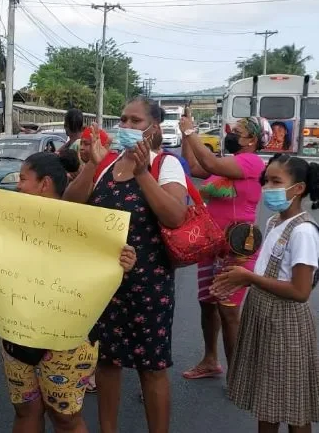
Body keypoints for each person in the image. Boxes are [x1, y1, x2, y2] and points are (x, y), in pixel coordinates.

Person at [0, 151, 136, 433]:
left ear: (44, 184)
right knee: (25, 409)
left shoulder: (84, 224)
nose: (18, 185)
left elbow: (105, 265)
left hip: (68, 337)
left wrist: (124, 261)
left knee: (65, 416)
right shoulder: (7, 220)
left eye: (23, 179)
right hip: (17, 331)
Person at [63, 98, 188, 433]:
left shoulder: (165, 165)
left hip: (149, 285)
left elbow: (175, 216)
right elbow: (71, 205)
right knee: (106, 361)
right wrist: (90, 164)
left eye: (136, 121)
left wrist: (143, 171)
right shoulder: (107, 164)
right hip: (104, 283)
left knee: (152, 368)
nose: (127, 127)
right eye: (123, 120)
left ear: (154, 128)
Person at [212, 153, 319, 432]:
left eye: (275, 181)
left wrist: (249, 277)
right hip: (263, 317)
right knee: (267, 402)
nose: (268, 188)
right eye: (266, 181)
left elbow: (300, 290)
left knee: (294, 408)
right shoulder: (273, 222)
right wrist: (242, 276)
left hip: (285, 324)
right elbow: (266, 269)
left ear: (298, 189)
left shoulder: (303, 232)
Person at [179, 113, 268, 380]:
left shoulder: (250, 162)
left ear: (252, 139)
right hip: (212, 245)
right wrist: (186, 136)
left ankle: (237, 375)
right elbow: (194, 167)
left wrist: (190, 131)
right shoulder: (229, 163)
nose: (230, 133)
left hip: (237, 248)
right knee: (207, 303)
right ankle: (210, 361)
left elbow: (209, 162)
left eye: (237, 130)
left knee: (229, 312)